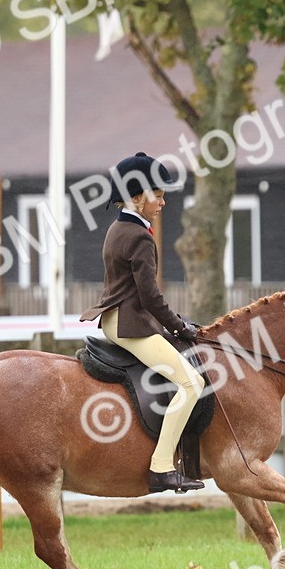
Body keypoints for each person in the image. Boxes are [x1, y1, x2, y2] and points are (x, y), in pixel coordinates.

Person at [80, 152, 206, 493]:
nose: (164, 201)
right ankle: (162, 466)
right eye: (158, 194)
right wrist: (180, 327)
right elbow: (150, 297)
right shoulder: (139, 237)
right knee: (192, 384)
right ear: (136, 197)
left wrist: (175, 324)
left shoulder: (119, 227)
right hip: (130, 325)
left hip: (118, 318)